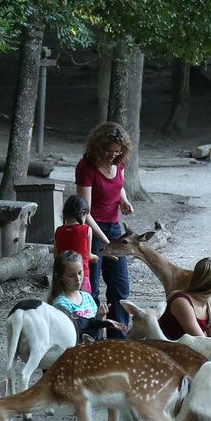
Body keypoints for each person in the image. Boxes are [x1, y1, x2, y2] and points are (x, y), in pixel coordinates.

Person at [75, 121, 133, 334]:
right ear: (99, 147)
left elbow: (119, 186)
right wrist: (105, 242)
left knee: (120, 286)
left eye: (117, 152)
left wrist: (123, 201)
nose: (112, 156)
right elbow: (84, 212)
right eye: (108, 152)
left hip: (114, 227)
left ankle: (119, 337)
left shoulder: (119, 162)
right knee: (93, 289)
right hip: (92, 232)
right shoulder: (86, 167)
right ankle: (93, 338)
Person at [49, 253, 119, 342]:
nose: (78, 279)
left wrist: (100, 317)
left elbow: (99, 332)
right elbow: (68, 335)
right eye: (71, 275)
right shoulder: (60, 304)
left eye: (80, 273)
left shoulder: (87, 297)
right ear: (59, 277)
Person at [159, 257, 211, 341]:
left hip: (186, 349)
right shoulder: (182, 301)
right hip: (166, 350)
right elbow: (201, 341)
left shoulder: (208, 302)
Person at [53, 193, 94, 292]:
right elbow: (88, 256)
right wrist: (95, 257)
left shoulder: (58, 231)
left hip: (64, 275)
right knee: (82, 300)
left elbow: (56, 255)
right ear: (82, 213)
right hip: (81, 274)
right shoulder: (86, 230)